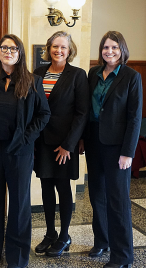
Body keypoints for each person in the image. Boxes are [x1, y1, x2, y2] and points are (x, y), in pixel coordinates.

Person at [0, 34, 50, 268]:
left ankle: (17, 257)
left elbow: (43, 114)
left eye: (13, 48)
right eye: (3, 48)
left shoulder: (32, 81)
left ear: (20, 53)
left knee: (19, 206)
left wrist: (27, 137)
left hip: (19, 152)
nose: (8, 51)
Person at [83, 31, 142, 268]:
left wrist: (128, 152)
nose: (109, 52)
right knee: (97, 195)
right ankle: (102, 241)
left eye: (114, 48)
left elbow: (134, 117)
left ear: (122, 50)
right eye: (106, 48)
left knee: (118, 200)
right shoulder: (93, 73)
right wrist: (81, 139)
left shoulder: (131, 76)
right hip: (94, 141)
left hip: (118, 147)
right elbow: (87, 110)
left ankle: (123, 256)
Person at [33, 31, 89, 257]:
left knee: (63, 188)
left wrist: (69, 144)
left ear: (70, 50)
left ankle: (65, 235)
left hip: (65, 144)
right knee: (46, 186)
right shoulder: (38, 72)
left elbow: (82, 113)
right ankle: (50, 233)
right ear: (49, 48)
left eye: (63, 47)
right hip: (42, 141)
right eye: (55, 46)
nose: (58, 51)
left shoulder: (77, 75)